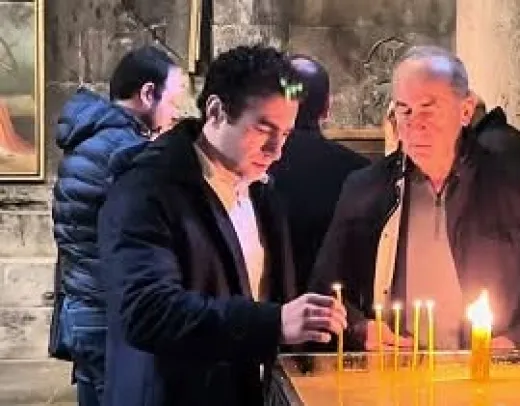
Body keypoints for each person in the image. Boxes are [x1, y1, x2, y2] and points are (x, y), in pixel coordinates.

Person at [97, 45, 346, 406]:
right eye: (263, 128)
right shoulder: (146, 189)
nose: (276, 150)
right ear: (215, 111)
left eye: (285, 134)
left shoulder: (261, 189)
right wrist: (274, 323)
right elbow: (146, 311)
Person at [309, 45, 520, 352]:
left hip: (487, 371)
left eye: (427, 108)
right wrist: (359, 328)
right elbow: (325, 288)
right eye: (404, 110)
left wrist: (514, 343)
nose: (414, 124)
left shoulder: (512, 183)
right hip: (395, 368)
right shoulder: (366, 187)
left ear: (465, 110)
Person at [50, 46, 186, 406]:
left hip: (82, 306)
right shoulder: (125, 151)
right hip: (106, 310)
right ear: (147, 93)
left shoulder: (90, 139)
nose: (175, 114)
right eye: (174, 102)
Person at [269, 55, 369, 293]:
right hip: (332, 303)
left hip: (257, 304)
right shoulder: (359, 171)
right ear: (327, 107)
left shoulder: (253, 163)